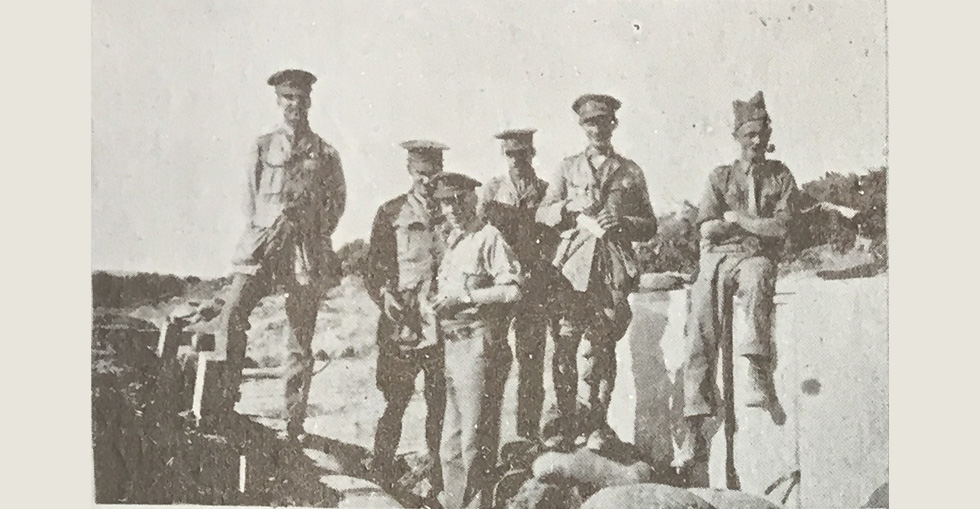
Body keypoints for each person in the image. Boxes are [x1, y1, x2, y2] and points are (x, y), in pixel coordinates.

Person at [674, 91, 799, 470]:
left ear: (769, 132)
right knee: (700, 329)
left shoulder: (781, 175)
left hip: (755, 256)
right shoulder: (720, 176)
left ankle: (759, 373)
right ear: (738, 137)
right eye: (749, 135)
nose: (756, 141)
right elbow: (708, 229)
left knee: (760, 277)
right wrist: (735, 224)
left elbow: (782, 226)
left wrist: (739, 220)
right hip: (717, 259)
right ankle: (695, 425)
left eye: (761, 133)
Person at [219, 69, 346, 440]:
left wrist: (311, 228)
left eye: (301, 98)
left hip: (304, 249)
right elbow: (248, 197)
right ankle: (226, 402)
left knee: (299, 335)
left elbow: (336, 202)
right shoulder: (262, 147)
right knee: (233, 313)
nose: (295, 104)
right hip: (263, 244)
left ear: (309, 101)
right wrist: (265, 229)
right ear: (278, 101)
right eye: (288, 98)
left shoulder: (324, 152)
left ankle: (294, 422)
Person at [535, 94, 658, 451]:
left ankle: (597, 424)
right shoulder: (568, 167)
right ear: (582, 127)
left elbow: (649, 224)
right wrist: (568, 206)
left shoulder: (630, 171)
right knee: (566, 344)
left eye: (603, 123)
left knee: (603, 345)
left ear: (613, 125)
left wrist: (623, 221)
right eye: (591, 123)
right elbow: (543, 213)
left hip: (612, 266)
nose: (597, 129)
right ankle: (565, 423)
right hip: (572, 267)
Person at [430, 172, 523, 509]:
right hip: (454, 346)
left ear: (473, 200)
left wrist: (465, 295)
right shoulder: (455, 241)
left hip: (478, 345)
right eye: (445, 202)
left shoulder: (489, 238)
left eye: (459, 200)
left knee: (475, 443)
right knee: (450, 448)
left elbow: (512, 289)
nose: (452, 208)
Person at [363, 140, 450, 494]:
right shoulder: (390, 212)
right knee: (396, 400)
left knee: (439, 401)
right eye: (421, 174)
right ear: (410, 172)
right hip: (404, 324)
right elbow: (374, 266)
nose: (427, 182)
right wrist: (384, 294)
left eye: (433, 174)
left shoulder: (451, 211)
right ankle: (380, 471)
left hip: (441, 323)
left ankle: (438, 474)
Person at [479, 128, 556, 441]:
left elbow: (554, 236)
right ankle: (489, 442)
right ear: (504, 156)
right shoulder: (493, 189)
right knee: (495, 363)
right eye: (511, 154)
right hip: (500, 283)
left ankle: (526, 438)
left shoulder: (546, 190)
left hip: (534, 284)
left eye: (522, 154)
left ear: (532, 154)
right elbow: (482, 234)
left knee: (532, 363)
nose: (516, 160)